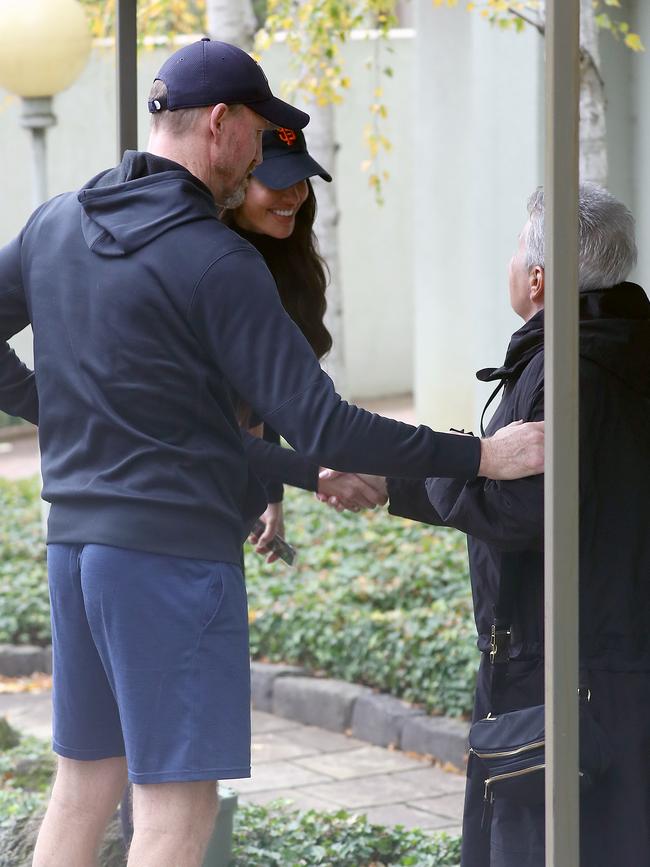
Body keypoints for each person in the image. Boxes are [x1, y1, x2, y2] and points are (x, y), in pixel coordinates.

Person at [0, 38, 543, 867]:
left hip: (74, 550)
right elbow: (326, 425)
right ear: (220, 124)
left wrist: (65, 414)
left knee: (85, 782)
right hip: (170, 563)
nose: (262, 151)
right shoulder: (215, 261)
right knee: (175, 814)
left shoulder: (57, 222)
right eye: (259, 132)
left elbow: (229, 433)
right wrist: (482, 458)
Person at [386, 184, 650, 866]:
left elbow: (521, 507)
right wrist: (393, 483)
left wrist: (446, 460)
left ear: (538, 278)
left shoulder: (570, 370)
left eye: (514, 250)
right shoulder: (623, 349)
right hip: (612, 660)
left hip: (562, 670)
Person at [222, 127, 386, 560]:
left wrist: (269, 495)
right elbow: (213, 428)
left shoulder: (284, 261)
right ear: (239, 181)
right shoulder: (211, 267)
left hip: (228, 494)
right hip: (186, 502)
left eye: (301, 180)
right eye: (277, 182)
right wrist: (309, 474)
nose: (294, 195)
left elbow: (273, 395)